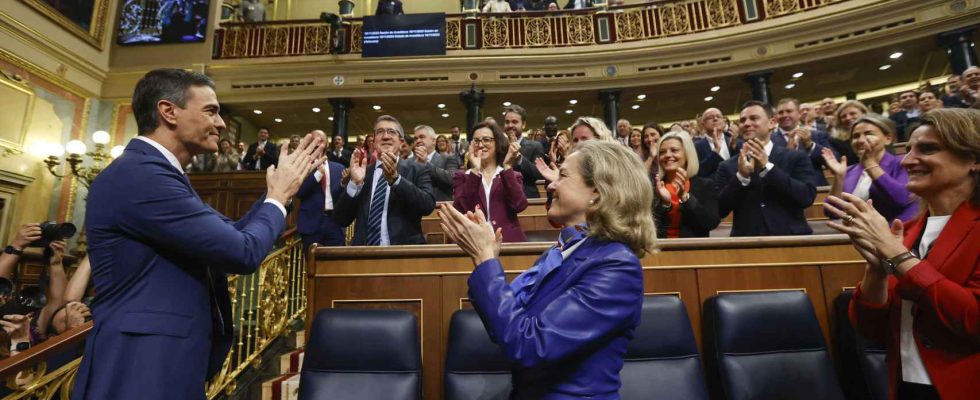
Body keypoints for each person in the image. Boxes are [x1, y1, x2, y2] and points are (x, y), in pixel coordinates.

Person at [72, 69, 324, 400]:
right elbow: (242, 251)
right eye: (211, 110)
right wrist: (277, 198)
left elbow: (231, 235)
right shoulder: (142, 175)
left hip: (163, 359)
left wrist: (278, 193)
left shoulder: (157, 174)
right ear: (168, 111)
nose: (221, 124)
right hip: (141, 364)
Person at [437, 140, 655, 398]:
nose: (550, 184)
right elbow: (507, 324)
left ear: (597, 191)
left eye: (562, 175)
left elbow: (529, 346)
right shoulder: (563, 251)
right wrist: (487, 257)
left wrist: (485, 260)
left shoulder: (617, 266)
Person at [826, 108, 980, 400]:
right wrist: (876, 271)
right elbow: (871, 328)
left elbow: (973, 321)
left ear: (974, 160)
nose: (908, 160)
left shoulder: (896, 243)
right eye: (908, 149)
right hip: (906, 387)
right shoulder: (905, 231)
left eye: (928, 149)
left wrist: (897, 257)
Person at [713, 100, 819, 236]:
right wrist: (741, 177)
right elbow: (720, 210)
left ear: (772, 123)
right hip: (747, 244)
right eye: (743, 120)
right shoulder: (727, 166)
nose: (746, 123)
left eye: (754, 118)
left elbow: (806, 197)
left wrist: (767, 168)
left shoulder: (795, 157)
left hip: (792, 240)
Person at [335, 115, 436, 246]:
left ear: (401, 142)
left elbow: (427, 205)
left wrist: (396, 180)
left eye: (392, 132)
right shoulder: (362, 172)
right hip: (363, 256)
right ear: (374, 141)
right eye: (380, 132)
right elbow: (340, 219)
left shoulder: (417, 169)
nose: (386, 136)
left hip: (404, 255)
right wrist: (354, 184)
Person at [822, 114, 918, 223]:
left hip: (892, 232)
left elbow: (903, 199)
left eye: (869, 134)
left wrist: (871, 165)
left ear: (888, 139)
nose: (861, 140)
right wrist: (839, 177)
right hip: (855, 232)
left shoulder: (901, 163)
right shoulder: (849, 170)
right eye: (856, 136)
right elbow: (831, 212)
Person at [453, 122, 528, 242]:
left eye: (486, 140)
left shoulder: (512, 175)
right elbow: (462, 209)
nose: (481, 145)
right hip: (476, 244)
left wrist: (508, 166)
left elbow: (519, 205)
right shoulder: (462, 176)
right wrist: (475, 171)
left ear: (497, 143)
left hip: (509, 243)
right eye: (476, 141)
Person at [653, 132, 720, 238]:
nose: (667, 155)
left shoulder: (705, 185)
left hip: (693, 251)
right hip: (660, 250)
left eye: (674, 150)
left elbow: (710, 223)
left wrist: (685, 197)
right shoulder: (654, 187)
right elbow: (650, 226)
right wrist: (665, 204)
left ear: (687, 154)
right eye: (662, 152)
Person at [296, 130, 348, 250]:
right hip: (311, 223)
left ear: (327, 144)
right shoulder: (301, 167)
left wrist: (344, 185)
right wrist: (318, 174)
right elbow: (299, 192)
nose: (317, 144)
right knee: (312, 265)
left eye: (321, 141)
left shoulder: (339, 168)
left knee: (336, 264)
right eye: (314, 141)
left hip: (334, 223)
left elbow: (344, 198)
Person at [502, 104, 547, 199]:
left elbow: (538, 173)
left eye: (514, 122)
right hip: (502, 198)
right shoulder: (499, 147)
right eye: (507, 122)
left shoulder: (535, 146)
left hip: (527, 198)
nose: (510, 125)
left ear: (523, 125)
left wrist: (519, 157)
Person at [411, 125, 460, 202]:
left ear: (433, 141)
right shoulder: (409, 161)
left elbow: (452, 179)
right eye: (415, 138)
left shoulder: (448, 159)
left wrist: (426, 163)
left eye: (422, 137)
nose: (418, 141)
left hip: (439, 209)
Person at [831, 100, 868, 166]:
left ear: (863, 113)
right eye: (843, 116)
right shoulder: (838, 141)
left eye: (852, 114)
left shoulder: (878, 132)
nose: (848, 118)